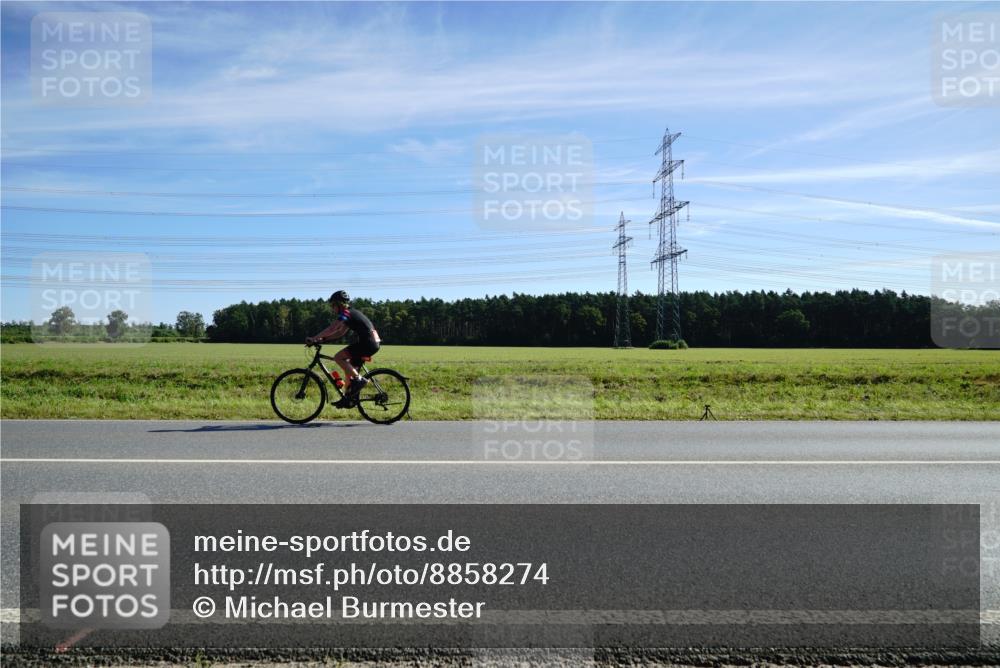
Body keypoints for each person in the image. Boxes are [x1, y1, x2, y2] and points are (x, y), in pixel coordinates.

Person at [306, 290, 381, 407]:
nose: (332, 308)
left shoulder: (346, 313)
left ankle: (359, 379)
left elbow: (332, 328)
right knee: (348, 370)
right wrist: (322, 339)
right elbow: (340, 332)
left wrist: (314, 338)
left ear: (339, 304)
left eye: (333, 305)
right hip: (371, 343)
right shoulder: (350, 314)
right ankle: (348, 399)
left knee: (338, 357)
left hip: (368, 343)